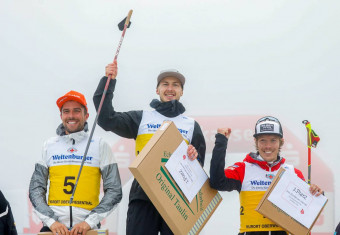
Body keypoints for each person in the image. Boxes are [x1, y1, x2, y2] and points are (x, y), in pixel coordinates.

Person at [93, 61, 206, 235]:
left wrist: (194, 157)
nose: (170, 88)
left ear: (182, 92)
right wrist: (108, 81)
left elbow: (198, 172)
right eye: (165, 84)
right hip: (143, 196)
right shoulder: (141, 118)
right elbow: (106, 119)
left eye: (175, 85)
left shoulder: (192, 126)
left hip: (177, 200)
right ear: (157, 90)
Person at [209, 116, 323, 235]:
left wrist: (315, 193)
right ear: (256, 142)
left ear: (281, 142)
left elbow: (304, 216)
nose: (268, 146)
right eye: (263, 140)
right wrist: (221, 142)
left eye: (273, 140)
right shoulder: (243, 169)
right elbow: (217, 182)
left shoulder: (293, 173)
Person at [29, 90, 122, 235]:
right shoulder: (49, 145)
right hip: (54, 229)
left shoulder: (100, 145)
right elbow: (36, 189)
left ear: (86, 115)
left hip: (88, 228)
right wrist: (52, 222)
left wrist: (88, 222)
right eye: (66, 111)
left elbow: (115, 190)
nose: (71, 116)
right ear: (61, 116)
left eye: (77, 111)